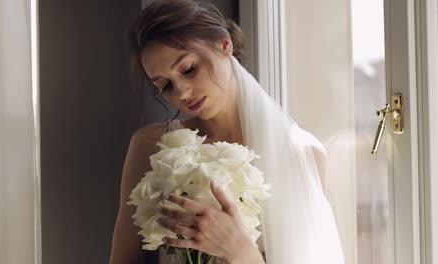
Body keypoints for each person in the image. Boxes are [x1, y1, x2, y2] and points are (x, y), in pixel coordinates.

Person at [109, 1, 345, 264]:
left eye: (188, 69)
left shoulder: (303, 154)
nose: (182, 92)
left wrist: (240, 251)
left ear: (224, 45)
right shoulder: (152, 147)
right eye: (165, 86)